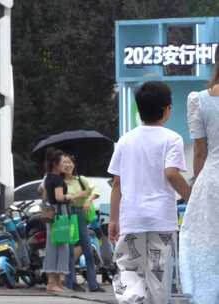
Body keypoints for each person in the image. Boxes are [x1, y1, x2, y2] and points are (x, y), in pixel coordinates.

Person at [108, 81, 191, 304]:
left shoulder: (125, 140)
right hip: (161, 220)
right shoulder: (172, 139)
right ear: (167, 110)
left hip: (132, 217)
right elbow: (172, 174)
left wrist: (113, 219)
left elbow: (117, 183)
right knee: (159, 275)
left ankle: (133, 299)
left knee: (128, 267)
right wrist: (192, 197)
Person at [179, 47, 219, 304]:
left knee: (206, 242)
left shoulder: (200, 99)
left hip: (213, 179)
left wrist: (195, 182)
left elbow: (200, 152)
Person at [42, 148, 86, 293]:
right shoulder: (57, 179)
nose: (65, 164)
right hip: (60, 214)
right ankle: (53, 283)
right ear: (56, 163)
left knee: (56, 246)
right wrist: (72, 196)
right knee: (60, 247)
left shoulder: (48, 177)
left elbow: (45, 195)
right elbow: (60, 197)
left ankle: (55, 283)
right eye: (62, 162)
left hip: (54, 215)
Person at [62, 154, 105, 293]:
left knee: (88, 250)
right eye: (64, 163)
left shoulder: (81, 180)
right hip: (67, 215)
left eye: (70, 162)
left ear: (74, 164)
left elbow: (95, 191)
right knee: (69, 251)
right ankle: (71, 283)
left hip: (80, 215)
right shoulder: (59, 182)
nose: (68, 165)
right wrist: (79, 195)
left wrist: (88, 199)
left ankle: (93, 284)